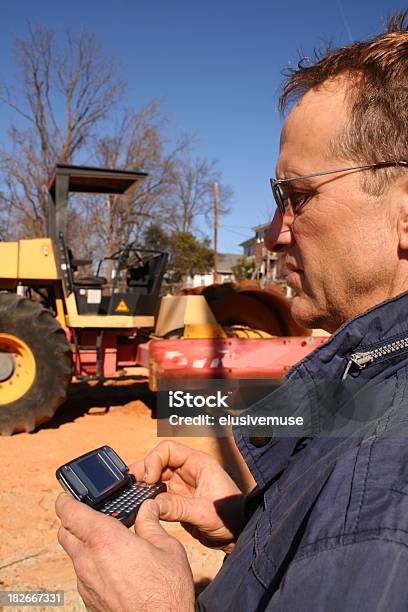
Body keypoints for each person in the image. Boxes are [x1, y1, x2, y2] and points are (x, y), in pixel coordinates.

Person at [56, 12, 408, 611]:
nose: (273, 235)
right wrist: (256, 526)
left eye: (297, 196)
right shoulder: (372, 382)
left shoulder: (378, 488)